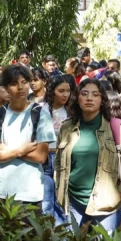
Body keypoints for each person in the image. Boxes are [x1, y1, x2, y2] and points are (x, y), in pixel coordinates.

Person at [54, 79, 121, 234]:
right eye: (84, 94)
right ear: (77, 98)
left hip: (106, 204)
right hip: (72, 202)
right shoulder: (67, 127)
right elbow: (58, 162)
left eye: (95, 94)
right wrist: (59, 187)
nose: (89, 98)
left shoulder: (116, 128)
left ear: (102, 100)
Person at [0, 66, 55, 206]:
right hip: (4, 192)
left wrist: (6, 150)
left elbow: (40, 156)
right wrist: (21, 150)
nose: (20, 87)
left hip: (31, 192)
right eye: (14, 83)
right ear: (6, 87)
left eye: (24, 82)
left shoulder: (41, 115)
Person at [41, 75, 76, 224]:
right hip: (44, 160)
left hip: (64, 159)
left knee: (62, 202)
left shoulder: (72, 111)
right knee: (46, 202)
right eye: (61, 90)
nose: (65, 94)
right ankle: (47, 237)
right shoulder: (41, 110)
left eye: (68, 91)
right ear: (52, 91)